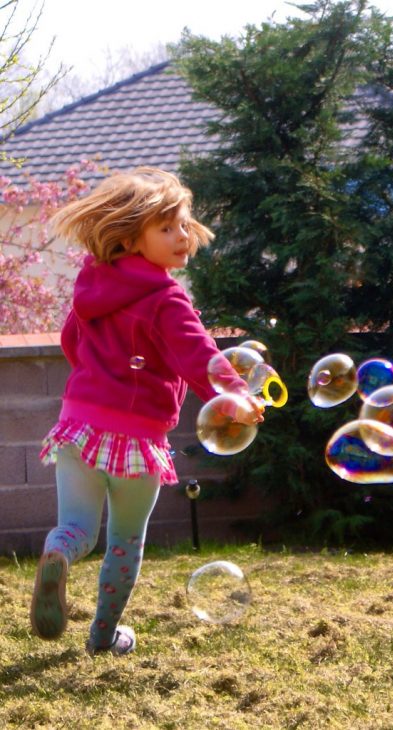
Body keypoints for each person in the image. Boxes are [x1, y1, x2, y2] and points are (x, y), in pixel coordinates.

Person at [30, 167, 263, 656]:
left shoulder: (91, 285)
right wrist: (237, 397)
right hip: (136, 436)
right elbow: (199, 356)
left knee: (76, 527)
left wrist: (98, 382)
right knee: (124, 541)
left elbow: (72, 341)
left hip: (78, 423)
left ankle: (57, 553)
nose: (182, 236)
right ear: (131, 238)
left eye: (183, 224)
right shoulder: (165, 298)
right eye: (166, 227)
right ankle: (102, 637)